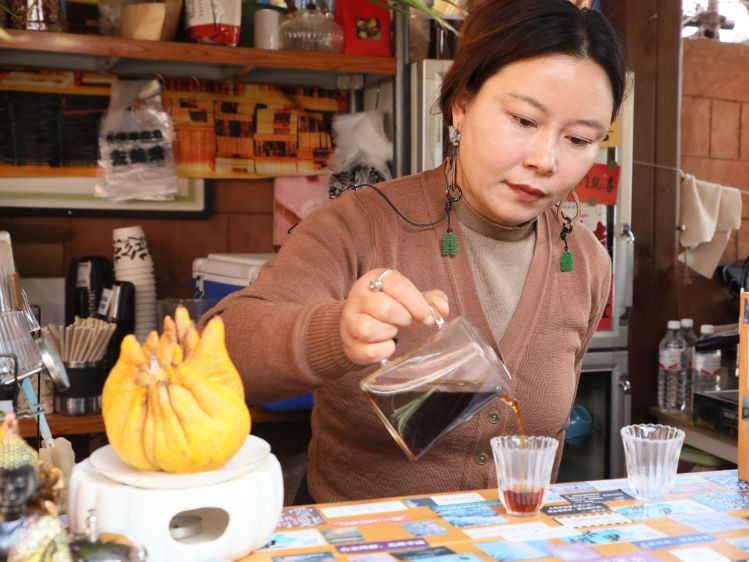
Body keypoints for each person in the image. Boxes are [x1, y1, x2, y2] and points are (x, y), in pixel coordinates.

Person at [204, 0, 625, 503]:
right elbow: (220, 350)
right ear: (462, 104)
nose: (546, 160)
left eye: (579, 139)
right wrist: (336, 333)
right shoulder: (358, 226)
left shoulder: (586, 262)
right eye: (523, 120)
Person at [0, 413, 70, 562]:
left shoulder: (47, 529)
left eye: (19, 483)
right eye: (2, 484)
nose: (9, 491)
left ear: (34, 482)